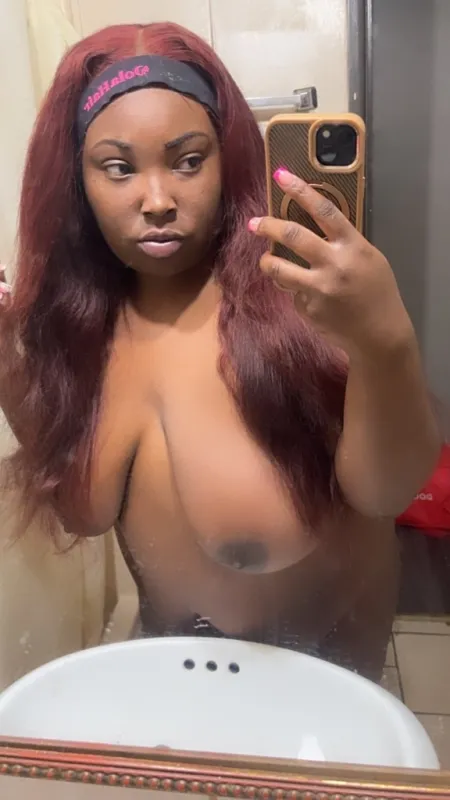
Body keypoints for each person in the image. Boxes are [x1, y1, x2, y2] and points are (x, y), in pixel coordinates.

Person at [0, 22, 440, 682]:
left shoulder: (296, 298)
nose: (156, 201)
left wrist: (385, 342)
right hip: (182, 699)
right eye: (118, 168)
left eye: (187, 161)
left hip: (322, 710)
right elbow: (78, 511)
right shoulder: (77, 328)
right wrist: (7, 360)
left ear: (226, 159)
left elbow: (387, 492)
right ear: (76, 182)